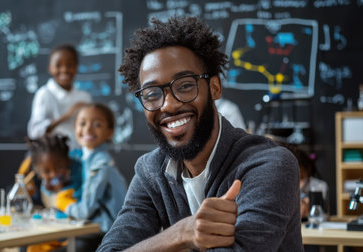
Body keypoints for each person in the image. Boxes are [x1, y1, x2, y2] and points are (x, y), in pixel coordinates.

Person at [97, 16, 302, 251]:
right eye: (152, 94)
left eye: (185, 85)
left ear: (214, 88)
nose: (168, 105)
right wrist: (181, 233)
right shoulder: (151, 172)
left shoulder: (269, 164)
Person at [61, 102, 127, 251]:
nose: (88, 129)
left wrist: (64, 205)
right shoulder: (79, 158)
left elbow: (86, 210)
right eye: (82, 123)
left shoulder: (101, 163)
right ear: (75, 128)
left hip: (105, 231)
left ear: (109, 132)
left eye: (97, 124)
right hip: (86, 227)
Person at [24, 135, 83, 252]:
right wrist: (49, 188)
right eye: (46, 171)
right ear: (38, 170)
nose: (53, 174)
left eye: (59, 167)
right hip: (61, 221)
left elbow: (81, 191)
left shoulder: (79, 167)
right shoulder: (46, 179)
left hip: (80, 221)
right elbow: (46, 191)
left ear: (67, 160)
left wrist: (64, 187)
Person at [27, 44, 92, 149]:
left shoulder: (84, 97)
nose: (64, 70)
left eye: (70, 65)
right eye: (58, 65)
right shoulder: (44, 94)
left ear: (76, 67)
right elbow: (35, 132)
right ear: (50, 68)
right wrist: (67, 115)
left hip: (79, 154)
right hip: (51, 156)